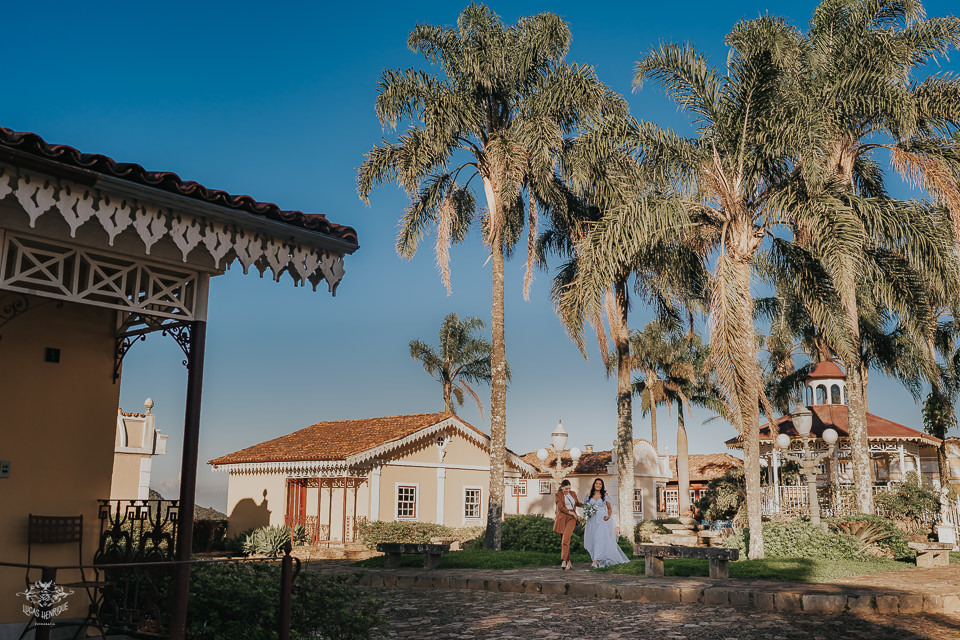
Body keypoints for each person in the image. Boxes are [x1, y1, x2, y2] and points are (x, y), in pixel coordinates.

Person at [583, 477, 629, 568]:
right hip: (592, 520)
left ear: (602, 486)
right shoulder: (588, 495)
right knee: (592, 539)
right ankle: (596, 558)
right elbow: (586, 507)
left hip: (602, 520)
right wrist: (587, 512)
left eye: (600, 484)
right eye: (596, 483)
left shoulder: (605, 496)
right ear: (594, 484)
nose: (598, 485)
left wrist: (608, 516)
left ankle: (596, 561)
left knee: (599, 539)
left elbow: (609, 509)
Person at [553, 479, 581, 570]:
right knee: (563, 540)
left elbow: (576, 503)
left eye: (569, 488)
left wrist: (587, 505)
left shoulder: (573, 493)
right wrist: (571, 512)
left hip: (572, 518)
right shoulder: (558, 495)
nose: (568, 490)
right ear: (562, 487)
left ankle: (563, 560)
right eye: (566, 489)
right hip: (562, 518)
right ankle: (569, 561)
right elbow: (561, 508)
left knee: (566, 539)